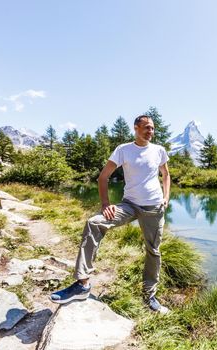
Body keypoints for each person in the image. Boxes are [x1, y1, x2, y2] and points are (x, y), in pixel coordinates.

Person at [50, 115, 171, 314]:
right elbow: (103, 177)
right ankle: (82, 284)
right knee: (94, 222)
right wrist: (106, 203)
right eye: (146, 128)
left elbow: (166, 175)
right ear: (136, 128)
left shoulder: (159, 150)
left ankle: (149, 295)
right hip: (129, 204)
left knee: (153, 251)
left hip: (153, 208)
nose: (150, 131)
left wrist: (166, 197)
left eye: (152, 128)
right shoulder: (123, 150)